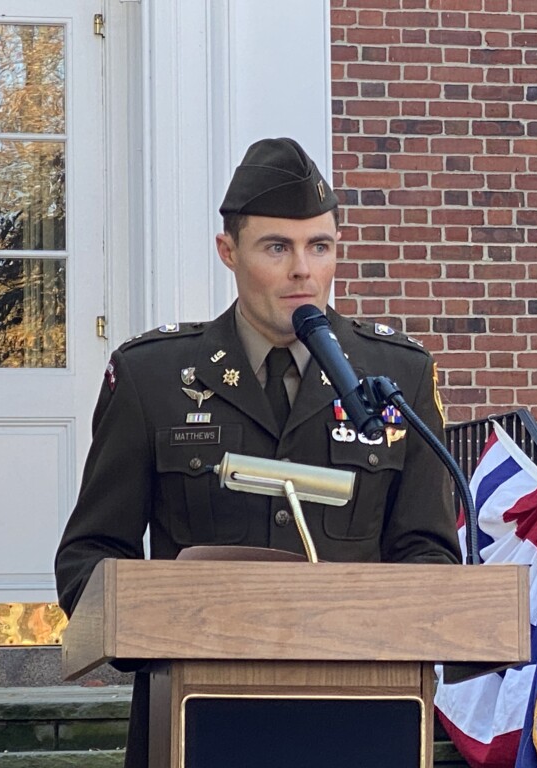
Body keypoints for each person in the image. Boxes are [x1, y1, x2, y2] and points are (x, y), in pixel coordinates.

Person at [55, 136, 460, 767]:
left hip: (361, 720)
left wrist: (381, 620)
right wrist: (156, 628)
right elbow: (89, 555)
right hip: (197, 719)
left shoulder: (393, 377)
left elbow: (428, 550)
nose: (303, 270)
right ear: (229, 251)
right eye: (278, 247)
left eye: (319, 247)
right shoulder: (154, 378)